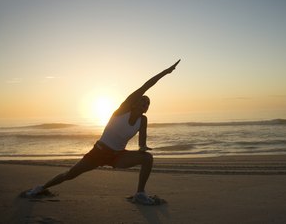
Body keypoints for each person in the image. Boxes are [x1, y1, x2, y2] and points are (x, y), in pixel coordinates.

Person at [26, 60, 181, 205]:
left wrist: (142, 148)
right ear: (134, 103)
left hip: (118, 156)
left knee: (147, 158)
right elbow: (145, 86)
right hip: (98, 152)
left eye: (148, 104)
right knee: (70, 175)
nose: (145, 104)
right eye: (142, 101)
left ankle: (140, 194)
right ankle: (41, 187)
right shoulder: (122, 110)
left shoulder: (143, 120)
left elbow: (142, 142)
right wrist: (165, 72)